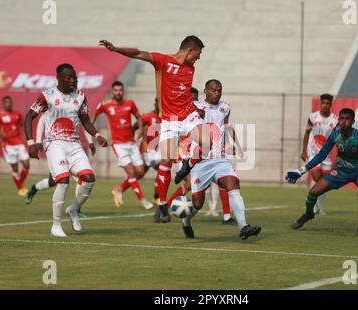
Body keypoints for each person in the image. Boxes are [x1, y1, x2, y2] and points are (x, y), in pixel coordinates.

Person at [99, 36, 209, 223]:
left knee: (207, 142)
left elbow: (182, 94)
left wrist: (195, 108)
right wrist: (116, 49)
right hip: (169, 120)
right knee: (165, 161)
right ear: (190, 50)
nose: (198, 58)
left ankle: (186, 166)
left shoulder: (190, 68)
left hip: (188, 114)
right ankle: (162, 205)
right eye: (198, 54)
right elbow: (137, 53)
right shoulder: (163, 60)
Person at [24, 63, 108, 237]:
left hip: (74, 144)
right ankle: (56, 225)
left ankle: (74, 209)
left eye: (74, 78)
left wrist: (97, 135)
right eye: (69, 78)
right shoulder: (47, 96)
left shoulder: (80, 96)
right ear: (59, 78)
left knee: (89, 178)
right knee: (63, 181)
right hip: (54, 143)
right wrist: (32, 142)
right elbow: (29, 117)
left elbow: (85, 121)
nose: (73, 81)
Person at [285, 108, 358, 235]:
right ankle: (309, 214)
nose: (343, 121)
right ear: (338, 120)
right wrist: (301, 171)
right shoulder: (335, 135)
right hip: (342, 170)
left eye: (347, 119)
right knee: (313, 192)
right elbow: (321, 156)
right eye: (341, 118)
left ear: (353, 121)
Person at [181, 79, 261, 240]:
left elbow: (225, 127)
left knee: (233, 184)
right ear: (205, 91)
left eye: (219, 90)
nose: (216, 93)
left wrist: (233, 144)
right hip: (201, 161)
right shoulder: (196, 108)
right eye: (213, 90)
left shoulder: (225, 108)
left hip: (220, 159)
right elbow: (186, 130)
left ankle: (243, 226)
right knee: (197, 204)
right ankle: (186, 220)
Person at [92, 81, 153, 210]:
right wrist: (94, 133)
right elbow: (93, 116)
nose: (118, 92)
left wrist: (141, 129)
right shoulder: (106, 105)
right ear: (112, 92)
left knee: (140, 172)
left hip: (131, 143)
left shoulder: (129, 103)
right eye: (116, 90)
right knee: (131, 173)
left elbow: (138, 117)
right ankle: (143, 200)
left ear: (123, 91)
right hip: (118, 145)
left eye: (120, 90)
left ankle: (118, 189)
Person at [24, 112, 95, 218]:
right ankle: (34, 188)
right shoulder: (53, 100)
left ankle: (76, 209)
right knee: (53, 181)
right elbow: (42, 120)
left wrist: (90, 141)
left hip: (72, 148)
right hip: (56, 148)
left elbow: (85, 122)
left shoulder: (76, 101)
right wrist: (38, 141)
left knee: (84, 177)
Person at [301, 93, 338, 215]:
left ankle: (317, 207)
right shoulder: (313, 117)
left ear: (331, 104)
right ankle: (313, 206)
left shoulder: (335, 120)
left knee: (325, 183)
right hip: (313, 153)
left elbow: (337, 138)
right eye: (323, 103)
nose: (325, 105)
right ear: (320, 103)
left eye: (328, 103)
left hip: (326, 155)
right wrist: (304, 150)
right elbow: (307, 133)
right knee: (317, 178)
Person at [0, 96, 30, 196]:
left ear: (12, 103)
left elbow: (22, 124)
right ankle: (20, 189)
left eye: (10, 102)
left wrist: (27, 127)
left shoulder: (17, 114)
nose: (8, 104)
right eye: (6, 102)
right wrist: (2, 135)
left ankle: (19, 185)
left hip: (18, 143)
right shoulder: (0, 116)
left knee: (27, 165)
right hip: (8, 145)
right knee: (15, 168)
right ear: (3, 104)